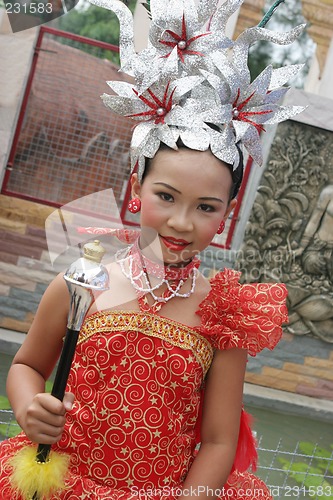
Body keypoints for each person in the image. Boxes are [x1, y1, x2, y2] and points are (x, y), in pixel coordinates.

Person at [0, 0, 304, 498]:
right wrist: (27, 406)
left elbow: (219, 440)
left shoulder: (226, 316)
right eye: (166, 197)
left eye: (206, 207)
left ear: (227, 214)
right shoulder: (82, 283)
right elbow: (27, 366)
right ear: (137, 187)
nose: (181, 222)